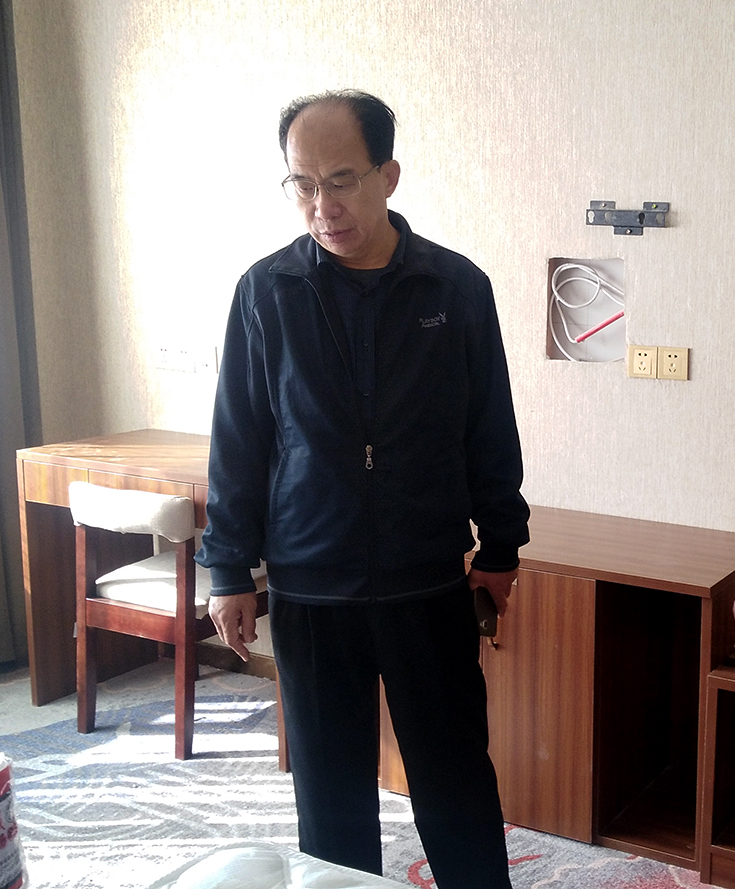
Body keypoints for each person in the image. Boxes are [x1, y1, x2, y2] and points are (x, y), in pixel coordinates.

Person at [197, 89, 528, 888]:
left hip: (427, 581)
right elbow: (240, 439)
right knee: (330, 797)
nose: (323, 205)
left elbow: (488, 424)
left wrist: (502, 544)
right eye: (303, 184)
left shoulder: (455, 288)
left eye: (341, 180)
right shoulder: (266, 291)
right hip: (312, 587)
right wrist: (227, 567)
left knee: (455, 781)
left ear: (389, 175)